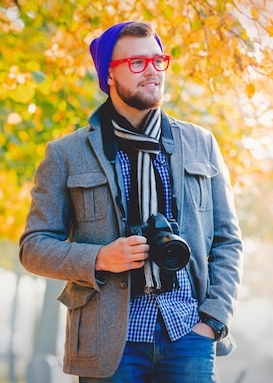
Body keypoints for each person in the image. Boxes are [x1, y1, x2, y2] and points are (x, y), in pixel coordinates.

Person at [19, 21, 243, 382]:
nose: (152, 71)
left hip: (189, 335)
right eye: (137, 63)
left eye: (158, 61)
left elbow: (228, 241)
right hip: (108, 343)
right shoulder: (66, 154)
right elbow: (33, 247)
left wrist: (214, 320)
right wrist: (100, 258)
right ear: (109, 75)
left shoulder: (201, 143)